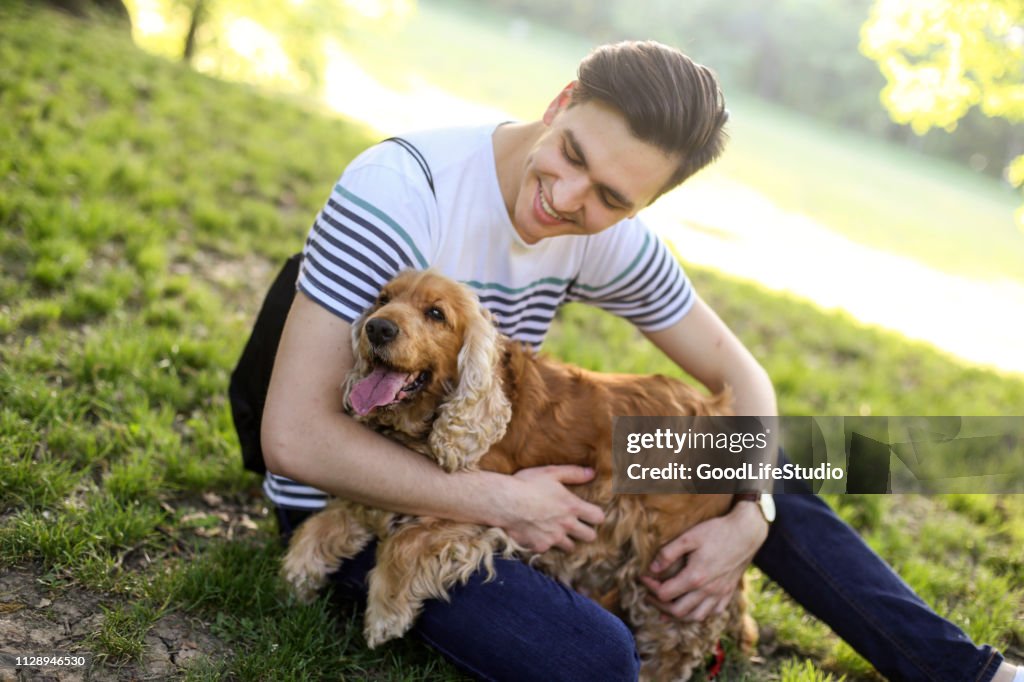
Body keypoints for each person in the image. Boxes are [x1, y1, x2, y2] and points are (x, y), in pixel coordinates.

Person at [258, 41, 1020, 681]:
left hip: (496, 469)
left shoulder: (604, 232)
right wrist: (505, 503)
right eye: (571, 155)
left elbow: (742, 380)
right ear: (560, 102)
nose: (565, 198)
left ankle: (968, 674)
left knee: (742, 453)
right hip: (355, 492)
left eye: (612, 196)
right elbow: (296, 438)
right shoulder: (399, 192)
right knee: (595, 659)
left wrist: (749, 517)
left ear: (643, 207)